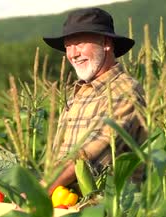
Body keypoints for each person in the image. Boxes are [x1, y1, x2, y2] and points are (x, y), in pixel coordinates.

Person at [42, 7, 147, 195]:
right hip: (63, 201)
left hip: (104, 211)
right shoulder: (79, 92)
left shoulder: (125, 92)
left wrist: (39, 190)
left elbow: (87, 157)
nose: (73, 54)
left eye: (79, 43)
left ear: (106, 43)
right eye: (68, 46)